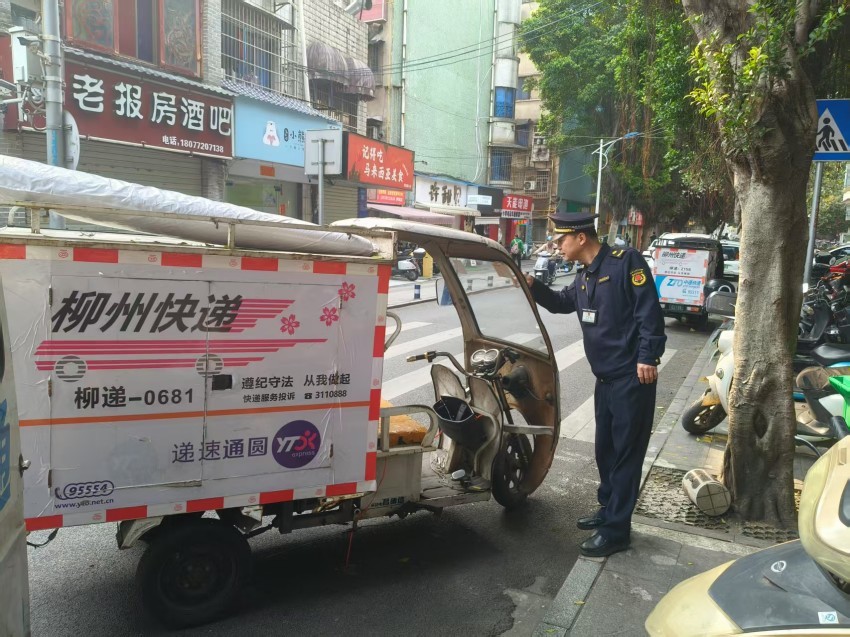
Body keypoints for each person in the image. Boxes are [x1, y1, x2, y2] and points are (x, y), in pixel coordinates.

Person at [524, 212, 666, 558]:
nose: (557, 246)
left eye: (561, 239)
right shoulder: (584, 275)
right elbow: (560, 304)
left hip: (632, 378)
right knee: (606, 450)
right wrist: (532, 285)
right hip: (605, 379)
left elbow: (648, 311)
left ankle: (616, 531)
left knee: (626, 455)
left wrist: (648, 355)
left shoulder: (625, 262)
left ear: (581, 238)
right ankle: (608, 508)